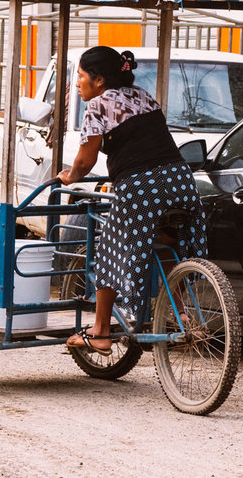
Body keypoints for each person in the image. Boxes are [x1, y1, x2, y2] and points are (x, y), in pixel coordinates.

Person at [58, 45, 205, 356]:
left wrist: (68, 176)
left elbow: (84, 162)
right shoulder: (142, 95)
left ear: (98, 80)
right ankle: (178, 313)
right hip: (179, 179)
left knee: (109, 251)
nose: (77, 83)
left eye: (81, 76)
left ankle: (99, 333)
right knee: (167, 241)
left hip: (141, 186)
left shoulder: (97, 105)